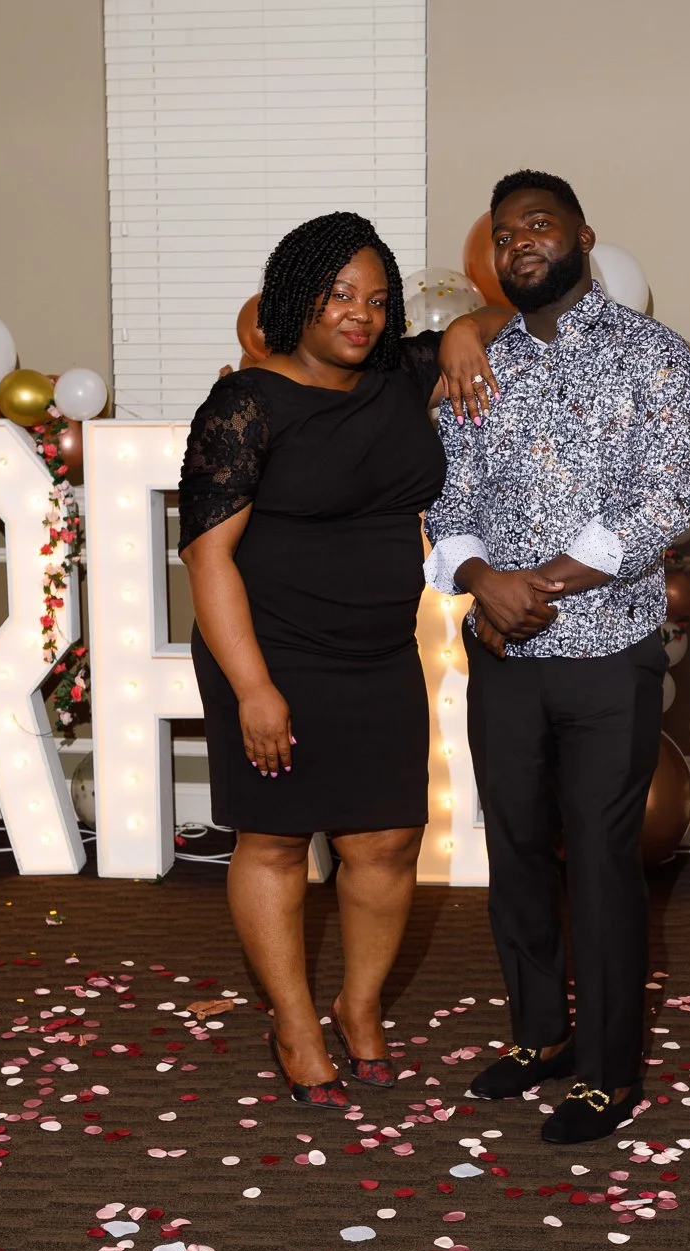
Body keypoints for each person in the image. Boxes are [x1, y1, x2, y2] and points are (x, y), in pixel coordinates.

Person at [180, 211, 505, 1109]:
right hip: (272, 655)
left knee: (389, 839)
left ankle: (358, 1006)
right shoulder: (244, 405)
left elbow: (511, 314)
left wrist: (469, 328)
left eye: (376, 299)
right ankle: (291, 1020)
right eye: (338, 296)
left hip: (377, 652)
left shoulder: (403, 374)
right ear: (295, 300)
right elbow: (209, 559)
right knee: (278, 840)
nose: (360, 315)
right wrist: (253, 689)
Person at [423, 170, 690, 1144]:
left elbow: (663, 505)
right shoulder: (477, 364)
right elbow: (445, 505)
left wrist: (533, 582)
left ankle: (608, 1072)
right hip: (500, 652)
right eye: (503, 237)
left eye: (538, 225)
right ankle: (541, 1036)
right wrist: (479, 579)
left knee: (600, 862)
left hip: (604, 659)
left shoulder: (656, 359)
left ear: (584, 234)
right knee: (515, 858)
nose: (520, 245)